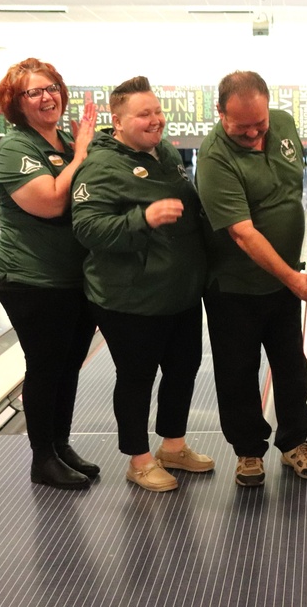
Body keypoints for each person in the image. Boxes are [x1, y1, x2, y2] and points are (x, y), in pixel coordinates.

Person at [71, 76, 213, 493]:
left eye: (157, 111)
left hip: (179, 291)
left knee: (183, 368)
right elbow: (87, 228)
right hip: (129, 297)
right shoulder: (100, 165)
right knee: (136, 378)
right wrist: (143, 219)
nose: (156, 120)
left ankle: (173, 445)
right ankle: (139, 459)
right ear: (117, 121)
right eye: (144, 114)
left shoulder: (164, 151)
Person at [196, 70, 307, 487]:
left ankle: (294, 443)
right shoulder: (214, 157)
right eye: (240, 127)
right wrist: (291, 276)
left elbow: (290, 190)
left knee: (290, 363)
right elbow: (242, 232)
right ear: (220, 113)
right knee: (237, 370)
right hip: (233, 286)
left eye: (259, 125)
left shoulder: (283, 124)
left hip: (282, 278)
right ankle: (249, 451)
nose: (252, 134)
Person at [0, 58, 99, 490]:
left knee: (68, 363)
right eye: (33, 92)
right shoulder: (16, 148)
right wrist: (83, 154)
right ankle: (42, 458)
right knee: (46, 364)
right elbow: (52, 201)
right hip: (29, 280)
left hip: (72, 279)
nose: (47, 96)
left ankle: (60, 445)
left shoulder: (68, 142)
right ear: (15, 103)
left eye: (51, 87)